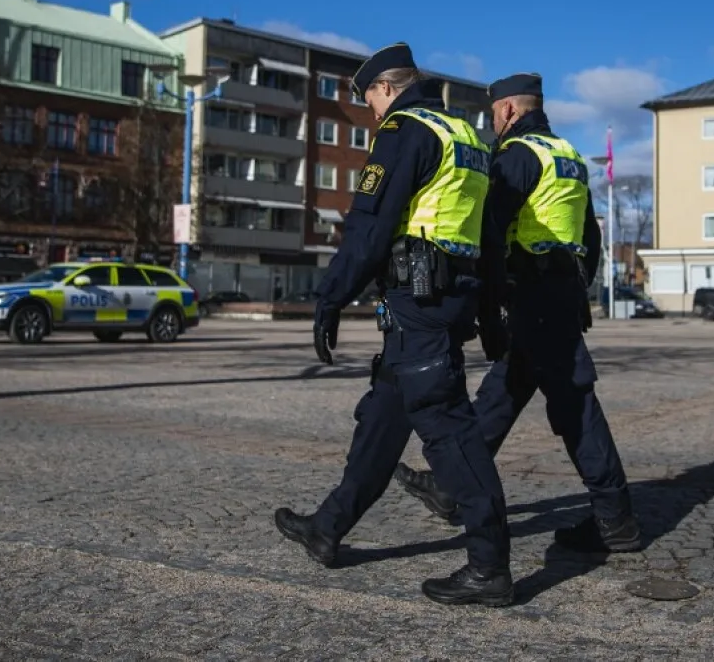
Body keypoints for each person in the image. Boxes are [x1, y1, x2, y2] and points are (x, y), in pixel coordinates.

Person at [273, 43, 515, 607]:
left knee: (449, 431)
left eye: (370, 101)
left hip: (418, 304)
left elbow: (370, 225)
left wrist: (331, 297)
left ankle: (490, 566)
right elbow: (489, 235)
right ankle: (328, 528)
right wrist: (489, 310)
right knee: (385, 415)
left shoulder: (405, 130)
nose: (372, 114)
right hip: (447, 298)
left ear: (385, 88)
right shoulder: (466, 136)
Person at [393, 72, 643, 555]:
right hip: (557, 294)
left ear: (507, 110)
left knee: (576, 408)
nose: (493, 124)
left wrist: (482, 303)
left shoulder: (518, 156)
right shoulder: (567, 154)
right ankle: (449, 488)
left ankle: (617, 519)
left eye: (493, 115)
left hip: (533, 294)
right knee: (501, 394)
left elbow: (491, 231)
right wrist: (576, 290)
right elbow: (589, 237)